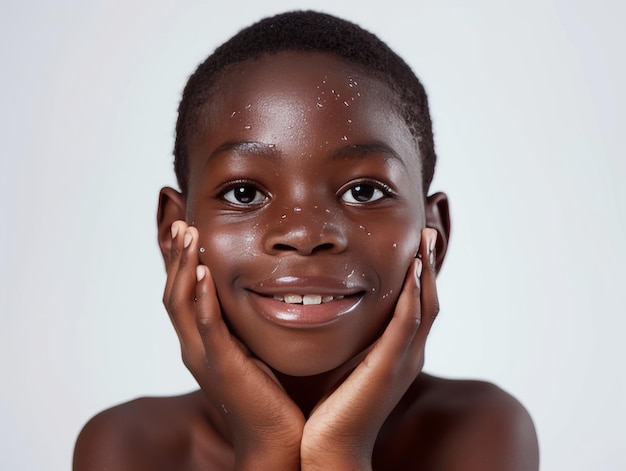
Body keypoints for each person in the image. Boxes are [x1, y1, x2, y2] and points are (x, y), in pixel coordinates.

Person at [73, 11, 539, 470]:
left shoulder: (482, 432)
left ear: (432, 236)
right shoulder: (127, 449)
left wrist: (339, 451)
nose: (304, 233)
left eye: (364, 191)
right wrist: (266, 446)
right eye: (244, 193)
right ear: (173, 232)